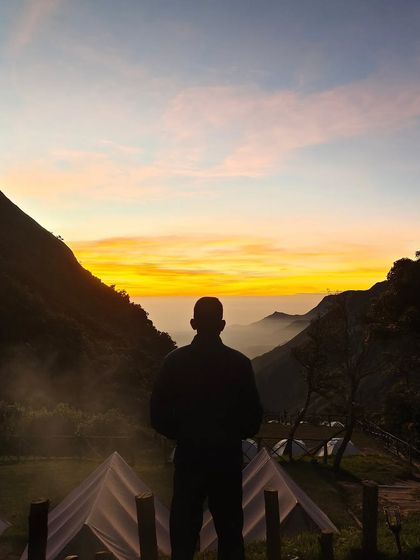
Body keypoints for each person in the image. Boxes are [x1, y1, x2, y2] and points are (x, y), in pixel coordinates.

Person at [150, 297, 262, 560]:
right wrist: (231, 434)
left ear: (192, 323)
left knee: (183, 534)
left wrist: (184, 434)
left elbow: (157, 415)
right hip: (227, 461)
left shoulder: (174, 362)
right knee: (230, 532)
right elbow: (254, 418)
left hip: (189, 459)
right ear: (222, 325)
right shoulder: (240, 364)